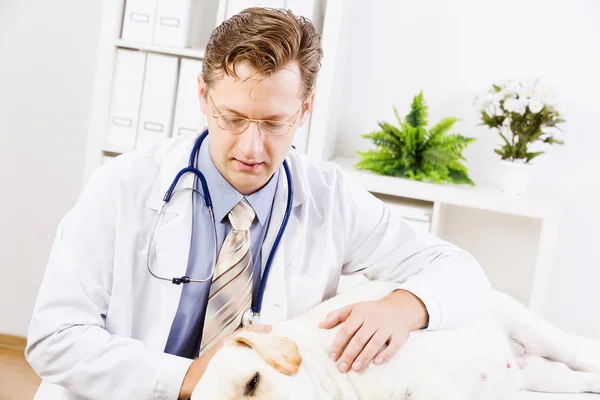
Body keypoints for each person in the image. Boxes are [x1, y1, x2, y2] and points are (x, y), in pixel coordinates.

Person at [26, 7, 491, 400]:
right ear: (204, 97)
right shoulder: (122, 186)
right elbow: (54, 338)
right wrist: (190, 378)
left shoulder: (330, 196)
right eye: (232, 118)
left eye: (273, 123)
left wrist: (404, 306)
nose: (251, 148)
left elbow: (460, 270)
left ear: (304, 110)